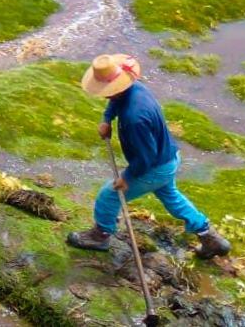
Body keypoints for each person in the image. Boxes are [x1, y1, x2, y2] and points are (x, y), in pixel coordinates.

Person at [67, 54, 231, 260]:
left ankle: (100, 236)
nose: (105, 95)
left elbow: (146, 157)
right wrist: (107, 119)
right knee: (172, 197)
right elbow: (116, 101)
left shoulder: (134, 118)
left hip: (153, 166)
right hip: (169, 158)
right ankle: (210, 237)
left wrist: (126, 177)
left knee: (108, 195)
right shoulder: (135, 88)